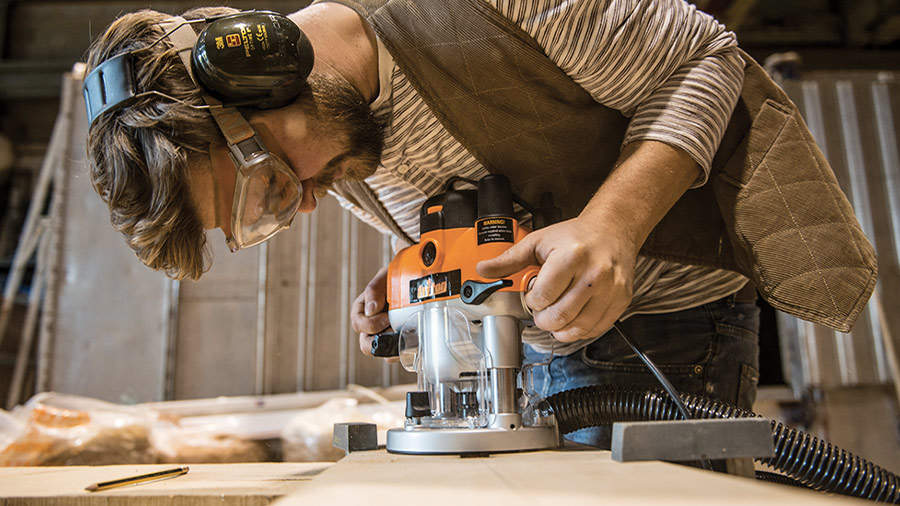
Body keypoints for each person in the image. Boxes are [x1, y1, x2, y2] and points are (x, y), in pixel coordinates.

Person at [84, 0, 875, 448]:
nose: (308, 202)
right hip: (538, 365)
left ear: (262, 76)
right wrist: (411, 280)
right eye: (271, 212)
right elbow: (476, 204)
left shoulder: (479, 11)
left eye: (271, 183)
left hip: (674, 333)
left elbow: (708, 58)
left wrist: (613, 226)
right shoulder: (337, 131)